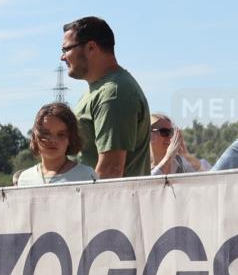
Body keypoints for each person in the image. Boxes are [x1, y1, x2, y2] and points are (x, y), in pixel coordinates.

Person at [61, 16, 150, 179]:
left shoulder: (113, 93)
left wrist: (86, 203)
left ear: (91, 48)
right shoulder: (101, 90)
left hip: (107, 202)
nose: (63, 57)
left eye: (66, 49)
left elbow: (111, 169)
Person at [15, 103, 98, 185]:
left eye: (61, 134)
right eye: (46, 133)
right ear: (35, 136)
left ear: (70, 138)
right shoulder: (24, 179)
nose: (53, 140)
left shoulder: (86, 176)